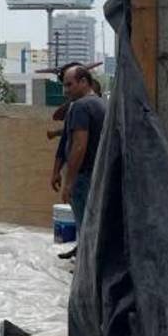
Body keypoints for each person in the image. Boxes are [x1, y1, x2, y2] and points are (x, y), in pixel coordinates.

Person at [59, 65, 106, 235]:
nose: (66, 90)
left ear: (84, 82)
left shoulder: (81, 106)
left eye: (69, 85)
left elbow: (79, 146)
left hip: (84, 177)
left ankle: (85, 253)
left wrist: (69, 182)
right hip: (98, 176)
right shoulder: (101, 104)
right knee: (94, 228)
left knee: (84, 228)